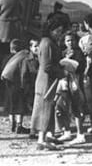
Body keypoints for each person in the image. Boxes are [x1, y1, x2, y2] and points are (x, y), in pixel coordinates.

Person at [30, 18, 66, 151]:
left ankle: (44, 138)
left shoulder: (47, 42)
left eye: (61, 32)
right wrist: (63, 72)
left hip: (48, 79)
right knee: (45, 108)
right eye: (57, 31)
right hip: (47, 80)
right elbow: (47, 66)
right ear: (50, 30)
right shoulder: (47, 43)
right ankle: (42, 140)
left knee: (47, 108)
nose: (59, 34)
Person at [55, 31, 86, 145]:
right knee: (62, 105)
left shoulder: (79, 53)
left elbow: (81, 67)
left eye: (72, 40)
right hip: (63, 81)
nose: (70, 42)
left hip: (75, 81)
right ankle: (66, 130)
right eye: (68, 40)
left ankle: (80, 133)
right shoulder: (63, 52)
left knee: (76, 106)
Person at [1, 39, 33, 134]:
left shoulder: (7, 58)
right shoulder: (24, 56)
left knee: (11, 104)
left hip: (8, 83)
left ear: (11, 49)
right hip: (19, 83)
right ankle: (19, 124)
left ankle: (12, 124)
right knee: (20, 105)